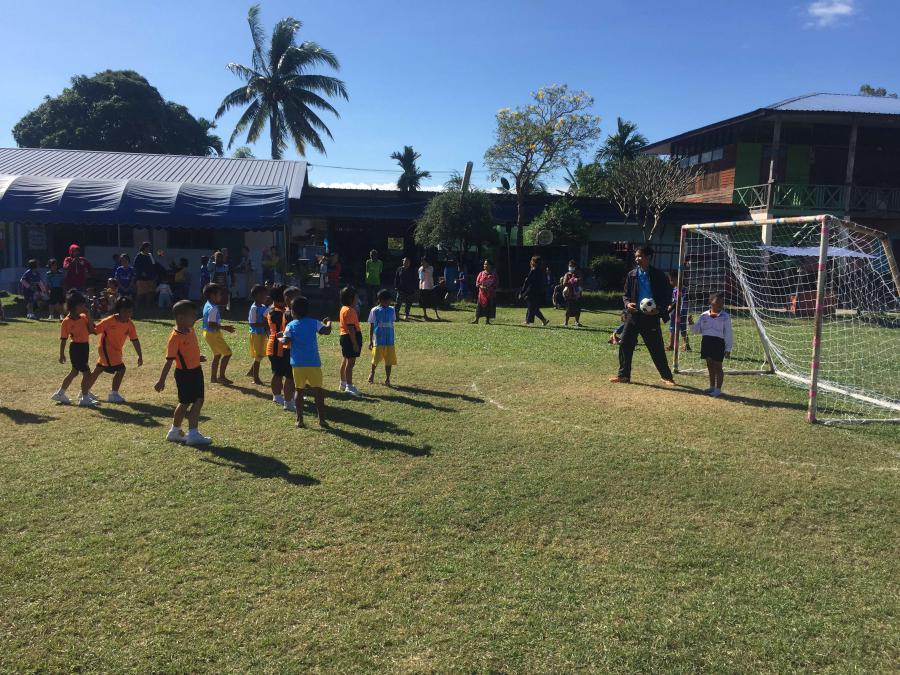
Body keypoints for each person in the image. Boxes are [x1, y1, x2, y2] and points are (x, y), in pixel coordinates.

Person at [609, 245, 675, 386]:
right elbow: (626, 295)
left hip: (651, 316)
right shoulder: (632, 274)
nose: (637, 259)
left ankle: (667, 377)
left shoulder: (659, 275)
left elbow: (667, 296)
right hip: (633, 315)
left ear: (648, 257)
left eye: (639, 256)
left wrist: (659, 309)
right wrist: (628, 304)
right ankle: (623, 375)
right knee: (625, 344)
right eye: (636, 256)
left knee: (656, 347)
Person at [154, 299, 212, 446]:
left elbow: (188, 350)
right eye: (192, 315)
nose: (195, 318)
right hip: (185, 374)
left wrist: (197, 357)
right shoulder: (175, 337)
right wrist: (161, 380)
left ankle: (175, 432)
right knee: (191, 402)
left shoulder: (190, 330)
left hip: (196, 370)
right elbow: (169, 361)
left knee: (191, 401)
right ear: (180, 317)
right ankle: (193, 434)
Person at [279, 295, 333, 428]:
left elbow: (286, 341)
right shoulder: (314, 322)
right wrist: (329, 322)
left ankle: (300, 420)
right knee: (318, 390)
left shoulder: (290, 325)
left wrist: (279, 337)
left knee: (299, 390)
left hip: (297, 363)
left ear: (293, 311)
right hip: (313, 363)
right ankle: (322, 419)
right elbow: (326, 331)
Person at [87, 296, 142, 403]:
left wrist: (140, 355)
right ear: (118, 310)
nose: (127, 314)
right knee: (121, 369)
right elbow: (94, 331)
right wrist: (88, 319)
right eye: (125, 311)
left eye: (130, 311)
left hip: (116, 351)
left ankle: (84, 391)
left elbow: (135, 340)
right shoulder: (108, 321)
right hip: (106, 350)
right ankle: (114, 394)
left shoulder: (130, 324)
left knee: (98, 370)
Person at [52, 291, 97, 406]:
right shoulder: (66, 322)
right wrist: (61, 354)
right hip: (76, 349)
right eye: (81, 305)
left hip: (85, 347)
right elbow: (63, 339)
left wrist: (88, 314)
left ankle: (60, 394)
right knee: (87, 374)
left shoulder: (84, 318)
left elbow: (92, 330)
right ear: (74, 306)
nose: (84, 307)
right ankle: (84, 397)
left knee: (74, 372)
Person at [691, 292, 733, 397]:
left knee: (718, 367)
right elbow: (697, 330)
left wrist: (728, 349)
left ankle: (718, 390)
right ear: (710, 302)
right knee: (709, 365)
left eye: (722, 302)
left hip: (718, 343)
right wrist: (691, 323)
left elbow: (728, 333)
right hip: (706, 342)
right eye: (717, 302)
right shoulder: (704, 315)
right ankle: (712, 387)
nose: (720, 304)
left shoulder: (725, 316)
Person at [265, 284, 295, 412]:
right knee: (278, 373)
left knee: (282, 372)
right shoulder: (276, 312)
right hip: (277, 347)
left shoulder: (280, 309)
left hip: (280, 346)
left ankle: (286, 395)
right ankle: (277, 396)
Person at [202, 283, 235, 384]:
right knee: (228, 353)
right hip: (213, 334)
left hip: (208, 333)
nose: (221, 296)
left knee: (217, 355)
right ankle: (221, 377)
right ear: (213, 295)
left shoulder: (207, 305)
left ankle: (213, 378)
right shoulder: (213, 308)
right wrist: (225, 327)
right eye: (219, 294)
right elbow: (211, 324)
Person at [368, 289, 398, 386]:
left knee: (389, 361)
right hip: (378, 340)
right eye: (386, 300)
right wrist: (370, 340)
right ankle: (372, 372)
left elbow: (392, 322)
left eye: (389, 300)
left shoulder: (392, 310)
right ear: (380, 300)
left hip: (389, 340)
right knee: (375, 359)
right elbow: (372, 325)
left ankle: (387, 378)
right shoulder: (374, 310)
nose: (388, 302)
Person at [339, 286, 363, 397]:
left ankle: (343, 383)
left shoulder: (343, 308)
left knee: (345, 360)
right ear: (350, 298)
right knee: (350, 363)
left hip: (345, 337)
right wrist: (355, 343)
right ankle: (349, 386)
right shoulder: (349, 310)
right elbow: (351, 328)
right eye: (356, 297)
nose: (357, 299)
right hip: (350, 338)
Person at [246, 284, 270, 386]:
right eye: (264, 295)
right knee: (258, 355)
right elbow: (252, 323)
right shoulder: (254, 308)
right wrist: (264, 325)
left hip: (262, 334)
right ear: (257, 296)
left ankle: (252, 371)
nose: (266, 297)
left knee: (261, 354)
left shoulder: (263, 307)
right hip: (256, 334)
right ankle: (255, 378)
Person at [519, 255, 549, 326]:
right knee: (532, 306)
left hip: (531, 291)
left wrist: (522, 292)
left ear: (535, 263)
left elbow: (527, 282)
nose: (530, 262)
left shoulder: (533, 271)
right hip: (538, 291)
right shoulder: (541, 271)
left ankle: (543, 320)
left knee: (532, 307)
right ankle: (529, 320)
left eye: (532, 261)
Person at [666, 270, 691, 352]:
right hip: (674, 311)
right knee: (672, 327)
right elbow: (674, 300)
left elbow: (679, 301)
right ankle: (671, 345)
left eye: (671, 280)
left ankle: (687, 346)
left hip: (681, 312)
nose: (670, 282)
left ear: (678, 279)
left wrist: (671, 307)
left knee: (682, 328)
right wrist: (670, 306)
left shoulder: (682, 289)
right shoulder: (674, 289)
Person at [471, 259, 497, 325]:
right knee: (479, 306)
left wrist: (490, 288)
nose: (484, 265)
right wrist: (481, 287)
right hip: (482, 294)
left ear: (490, 266)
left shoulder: (494, 274)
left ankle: (487, 321)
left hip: (490, 294)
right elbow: (477, 283)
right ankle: (476, 320)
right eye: (484, 264)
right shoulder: (481, 273)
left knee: (489, 306)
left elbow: (496, 283)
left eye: (486, 264)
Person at [133, 242, 156, 307]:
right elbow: (136, 266)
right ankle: (137, 306)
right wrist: (141, 272)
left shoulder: (150, 255)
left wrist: (154, 274)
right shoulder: (139, 255)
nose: (149, 249)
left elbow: (154, 264)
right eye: (148, 248)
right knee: (140, 293)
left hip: (150, 277)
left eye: (149, 248)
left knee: (149, 292)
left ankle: (147, 305)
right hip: (141, 278)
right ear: (144, 248)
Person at [562, 261, 583, 327]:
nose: (571, 267)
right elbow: (564, 283)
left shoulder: (578, 273)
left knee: (577, 309)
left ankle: (577, 322)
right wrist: (571, 281)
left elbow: (581, 281)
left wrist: (576, 280)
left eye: (572, 266)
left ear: (575, 266)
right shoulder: (567, 274)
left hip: (577, 294)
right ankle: (566, 322)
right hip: (569, 294)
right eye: (570, 266)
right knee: (568, 309)